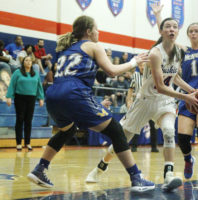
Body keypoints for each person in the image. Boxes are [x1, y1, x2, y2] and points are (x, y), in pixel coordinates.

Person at [26, 15, 155, 192]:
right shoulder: (94, 46)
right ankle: (136, 177)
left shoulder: (68, 49)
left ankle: (40, 168)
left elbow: (88, 76)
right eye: (96, 28)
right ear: (88, 31)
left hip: (54, 94)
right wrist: (134, 62)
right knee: (116, 131)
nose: (98, 32)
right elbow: (111, 72)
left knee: (68, 130)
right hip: (74, 95)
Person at [86, 17, 198, 192]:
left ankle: (169, 175)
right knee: (121, 140)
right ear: (162, 31)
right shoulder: (155, 53)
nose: (172, 29)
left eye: (175, 27)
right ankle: (101, 166)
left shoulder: (178, 52)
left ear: (178, 32)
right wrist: (186, 97)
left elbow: (175, 77)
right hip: (146, 101)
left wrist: (191, 90)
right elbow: (160, 86)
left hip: (166, 101)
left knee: (169, 131)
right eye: (168, 27)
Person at [151, 0, 198, 184]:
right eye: (190, 31)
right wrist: (159, 15)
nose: (193, 33)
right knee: (183, 137)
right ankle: (188, 159)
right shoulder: (182, 50)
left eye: (196, 31)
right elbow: (166, 37)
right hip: (187, 95)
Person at [6, 56, 44, 151]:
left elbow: (39, 86)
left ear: (32, 63)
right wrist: (9, 97)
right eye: (26, 60)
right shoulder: (17, 72)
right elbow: (12, 85)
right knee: (20, 119)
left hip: (31, 98)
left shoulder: (35, 74)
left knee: (28, 121)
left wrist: (41, 98)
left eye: (30, 60)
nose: (28, 62)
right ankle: (18, 143)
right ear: (23, 62)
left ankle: (27, 143)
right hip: (20, 98)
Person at [126, 63, 159, 153]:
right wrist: (129, 101)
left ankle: (154, 147)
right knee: (136, 126)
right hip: (139, 103)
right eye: (140, 66)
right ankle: (134, 146)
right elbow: (130, 89)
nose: (142, 67)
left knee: (153, 127)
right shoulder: (135, 75)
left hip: (151, 102)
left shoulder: (152, 75)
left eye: (144, 65)